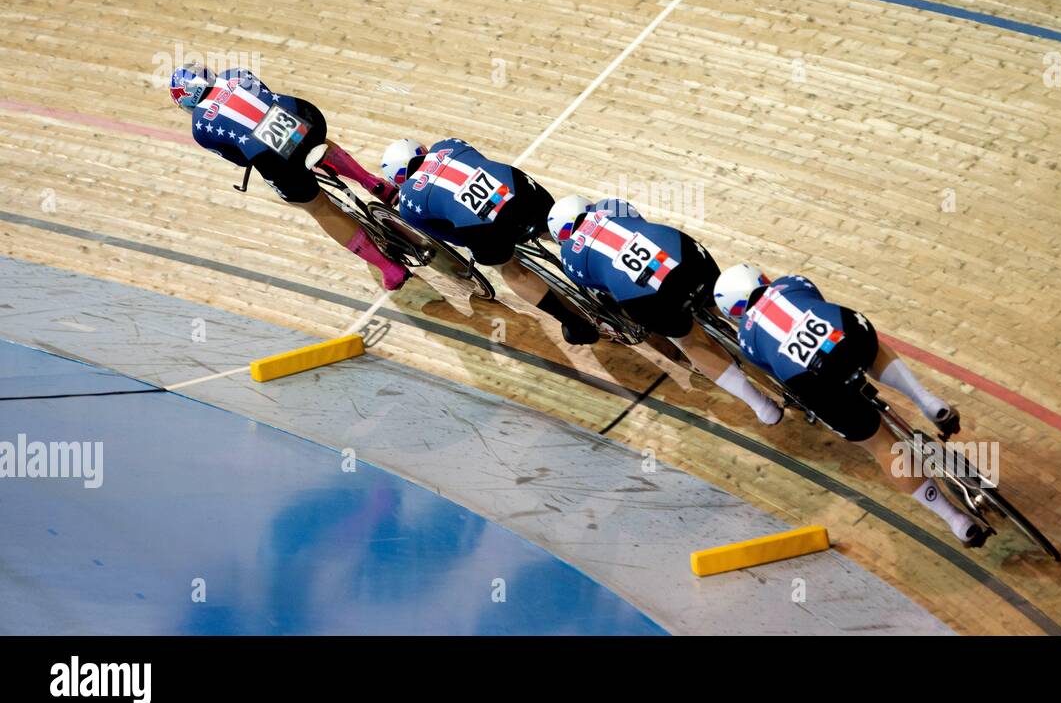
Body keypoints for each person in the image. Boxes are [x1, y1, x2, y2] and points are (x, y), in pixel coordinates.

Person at [713, 265, 989, 547]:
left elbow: (772, 369)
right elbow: (819, 304)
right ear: (762, 278)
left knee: (881, 445)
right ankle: (927, 401)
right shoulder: (792, 282)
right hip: (848, 336)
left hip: (814, 381)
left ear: (733, 313)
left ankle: (956, 520)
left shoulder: (746, 341)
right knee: (868, 349)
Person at [169, 65, 410, 291]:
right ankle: (374, 184)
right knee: (314, 142)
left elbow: (241, 159)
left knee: (318, 207)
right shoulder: (236, 73)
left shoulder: (200, 127)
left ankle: (390, 269)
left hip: (274, 158)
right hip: (307, 117)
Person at [547, 195, 781, 423]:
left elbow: (603, 289)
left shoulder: (569, 257)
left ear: (562, 237)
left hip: (646, 298)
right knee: (718, 304)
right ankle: (770, 338)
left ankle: (761, 406)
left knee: (691, 342)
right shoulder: (612, 204)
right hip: (684, 255)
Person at [378, 138, 599, 345]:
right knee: (550, 226)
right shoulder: (448, 144)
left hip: (484, 227)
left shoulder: (407, 202)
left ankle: (574, 323)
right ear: (421, 150)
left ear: (397, 180)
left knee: (508, 268)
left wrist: (478, 245)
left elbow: (451, 237)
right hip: (521, 191)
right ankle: (591, 258)